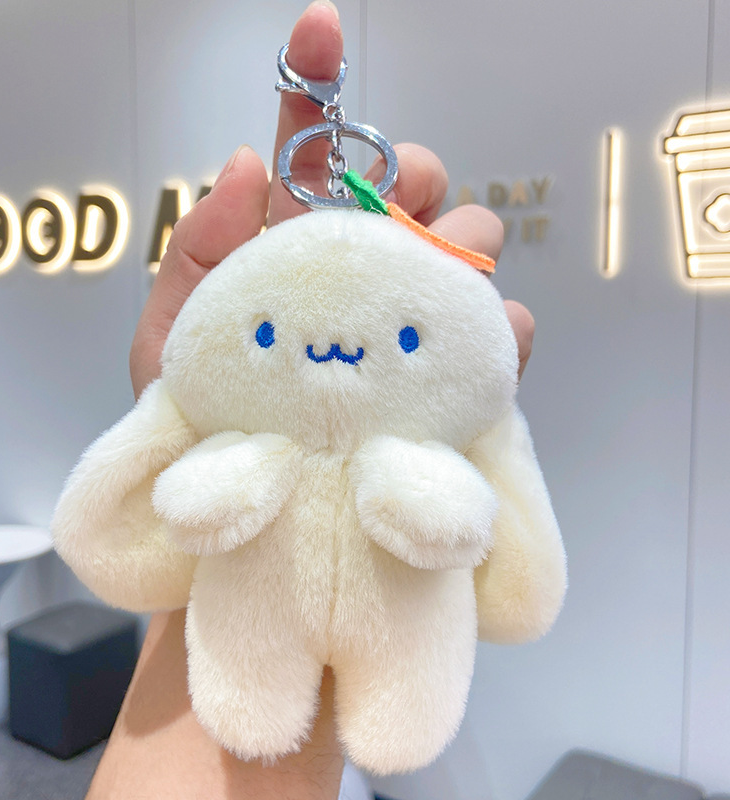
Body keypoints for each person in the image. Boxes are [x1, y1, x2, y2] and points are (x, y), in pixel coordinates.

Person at [85, 2, 534, 798]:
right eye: (263, 335)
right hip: (247, 621)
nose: (337, 352)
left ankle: (386, 712)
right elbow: (175, 499)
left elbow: (478, 522)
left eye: (407, 338)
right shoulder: (214, 406)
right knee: (248, 691)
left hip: (397, 616)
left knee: (404, 689)